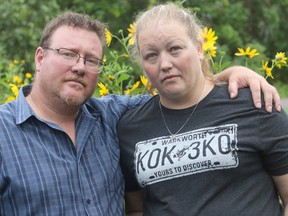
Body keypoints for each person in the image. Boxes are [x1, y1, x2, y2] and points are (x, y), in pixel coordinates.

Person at [0, 11, 282, 216]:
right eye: (67, 54)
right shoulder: (4, 133)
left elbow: (186, 92)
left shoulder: (110, 116)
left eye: (91, 60)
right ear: (40, 58)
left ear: (198, 49)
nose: (79, 66)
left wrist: (234, 74)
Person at [117, 3, 288, 216]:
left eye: (174, 49)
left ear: (199, 48)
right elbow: (136, 209)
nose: (165, 64)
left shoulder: (254, 104)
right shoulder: (130, 128)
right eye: (151, 55)